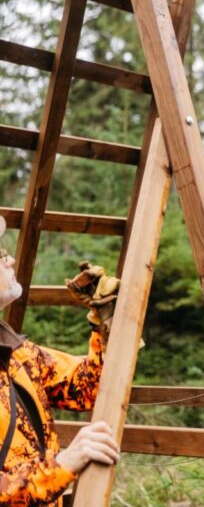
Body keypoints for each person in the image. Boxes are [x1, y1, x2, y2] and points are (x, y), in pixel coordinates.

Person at [0, 216, 120, 506]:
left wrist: (105, 323)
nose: (12, 260)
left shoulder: (19, 353)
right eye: (0, 255)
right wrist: (62, 465)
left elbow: (88, 388)